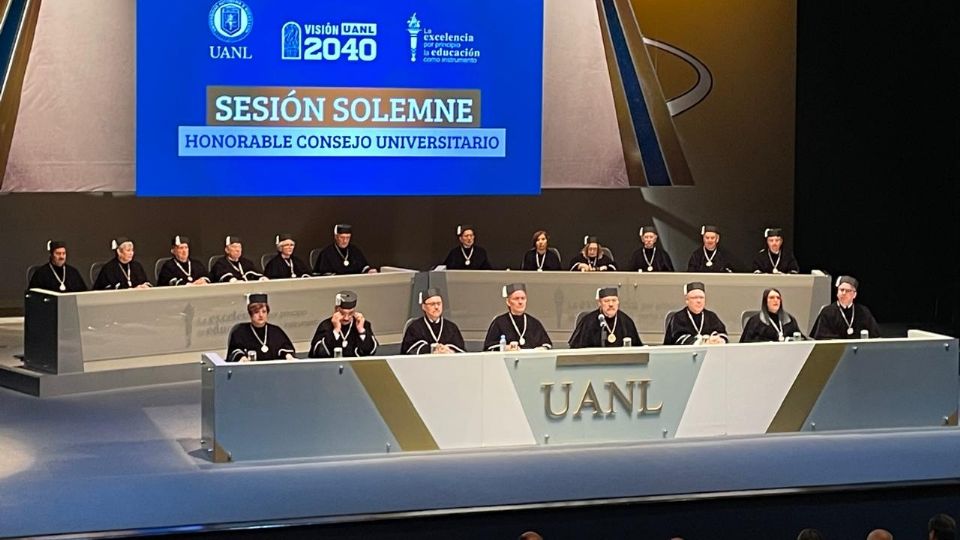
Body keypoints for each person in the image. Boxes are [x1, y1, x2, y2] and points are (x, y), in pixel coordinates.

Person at [226, 293, 296, 362]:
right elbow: (235, 350)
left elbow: (285, 348)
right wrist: (241, 358)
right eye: (256, 312)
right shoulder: (240, 332)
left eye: (264, 312)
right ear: (250, 314)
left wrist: (288, 356)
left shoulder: (276, 331)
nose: (261, 315)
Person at [483, 283, 553, 350]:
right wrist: (506, 348)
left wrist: (541, 349)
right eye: (516, 298)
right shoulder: (499, 322)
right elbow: (489, 347)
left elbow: (547, 344)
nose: (520, 302)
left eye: (523, 298)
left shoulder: (534, 323)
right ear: (508, 302)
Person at [309, 290, 378, 357]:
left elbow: (370, 352)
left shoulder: (363, 324)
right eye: (342, 313)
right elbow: (317, 353)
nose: (346, 318)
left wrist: (361, 331)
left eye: (351, 313)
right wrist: (336, 330)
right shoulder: (325, 325)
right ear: (336, 310)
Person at [568, 286, 641, 348]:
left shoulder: (626, 322)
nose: (611, 304)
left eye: (614, 300)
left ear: (618, 302)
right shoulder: (588, 322)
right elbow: (576, 350)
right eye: (607, 301)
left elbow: (637, 350)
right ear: (599, 303)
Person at [811, 275, 882, 339]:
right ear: (837, 293)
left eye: (848, 291)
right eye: (841, 290)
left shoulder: (863, 312)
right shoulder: (827, 312)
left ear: (854, 295)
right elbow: (821, 337)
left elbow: (875, 336)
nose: (844, 293)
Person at [401, 288, 466, 354]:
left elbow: (461, 351)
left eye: (439, 303)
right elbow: (408, 351)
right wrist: (432, 349)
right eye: (432, 304)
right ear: (424, 307)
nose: (436, 307)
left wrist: (448, 350)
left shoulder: (452, 328)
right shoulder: (414, 328)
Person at [663, 282, 729, 345]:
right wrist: (703, 342)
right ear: (687, 300)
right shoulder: (678, 317)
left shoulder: (711, 316)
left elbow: (722, 334)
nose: (699, 301)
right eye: (694, 298)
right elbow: (679, 339)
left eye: (701, 298)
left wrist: (718, 340)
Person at [313, 224, 377, 275]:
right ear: (336, 237)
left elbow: (364, 268)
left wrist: (369, 271)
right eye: (342, 237)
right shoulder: (326, 253)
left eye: (347, 238)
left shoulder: (355, 250)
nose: (345, 241)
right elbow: (323, 274)